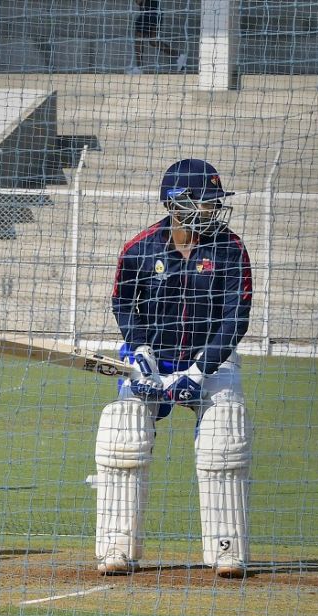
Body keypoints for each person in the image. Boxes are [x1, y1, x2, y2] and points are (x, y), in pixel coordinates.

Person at [94, 159, 253, 579]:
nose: (214, 210)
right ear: (176, 203)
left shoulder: (231, 250)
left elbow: (236, 318)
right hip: (152, 360)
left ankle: (226, 550)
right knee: (123, 428)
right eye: (206, 202)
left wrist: (201, 371)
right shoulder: (138, 249)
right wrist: (139, 350)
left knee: (225, 432)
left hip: (211, 361)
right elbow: (124, 305)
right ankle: (117, 547)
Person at [128, 0, 186, 74]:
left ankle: (139, 68)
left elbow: (138, 2)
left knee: (139, 39)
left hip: (148, 13)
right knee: (154, 41)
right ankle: (179, 56)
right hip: (156, 12)